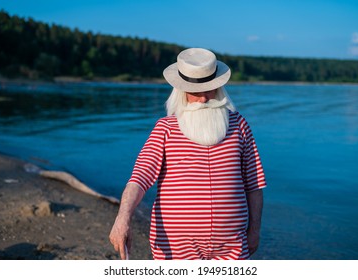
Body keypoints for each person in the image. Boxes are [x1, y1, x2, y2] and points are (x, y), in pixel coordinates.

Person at [109, 48, 266, 260]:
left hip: (231, 246)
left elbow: (254, 185)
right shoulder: (166, 127)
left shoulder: (238, 125)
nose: (202, 99)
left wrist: (254, 230)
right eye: (195, 91)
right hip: (175, 246)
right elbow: (140, 177)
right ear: (181, 90)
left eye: (208, 89)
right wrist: (122, 218)